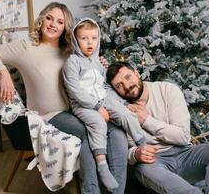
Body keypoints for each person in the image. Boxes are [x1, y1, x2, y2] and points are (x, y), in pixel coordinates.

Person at [0, 2, 127, 194]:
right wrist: (3, 73)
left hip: (76, 109)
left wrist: (97, 62)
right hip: (50, 114)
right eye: (49, 18)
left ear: (65, 27)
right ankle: (91, 190)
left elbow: (86, 75)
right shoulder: (26, 47)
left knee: (116, 132)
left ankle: (117, 190)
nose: (53, 24)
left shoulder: (70, 51)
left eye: (60, 21)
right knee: (88, 132)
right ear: (41, 19)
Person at [106, 62, 209, 194]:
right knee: (143, 170)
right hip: (155, 163)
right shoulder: (120, 111)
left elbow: (183, 136)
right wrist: (135, 153)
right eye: (119, 85)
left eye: (128, 77)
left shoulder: (167, 90)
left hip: (185, 154)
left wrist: (146, 120)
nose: (127, 86)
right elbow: (121, 151)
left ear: (137, 73)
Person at [62, 18, 146, 192]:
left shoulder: (98, 63)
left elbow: (105, 86)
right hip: (83, 105)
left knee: (124, 113)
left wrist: (120, 103)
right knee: (98, 123)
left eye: (93, 38)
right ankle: (102, 165)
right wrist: (96, 107)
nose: (89, 42)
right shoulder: (72, 62)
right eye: (84, 38)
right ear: (76, 41)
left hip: (102, 99)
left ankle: (142, 143)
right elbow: (74, 91)